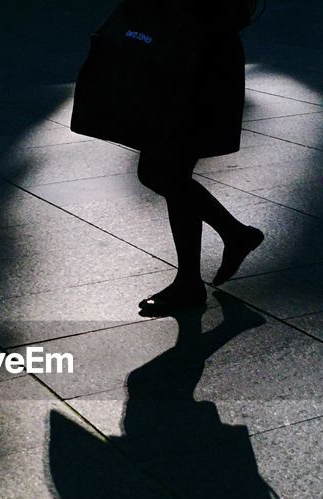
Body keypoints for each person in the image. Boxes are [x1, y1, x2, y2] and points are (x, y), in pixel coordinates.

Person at [72, 0, 265, 315]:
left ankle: (213, 257)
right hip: (187, 51)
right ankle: (222, 247)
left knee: (163, 169)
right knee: (168, 168)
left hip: (191, 57)